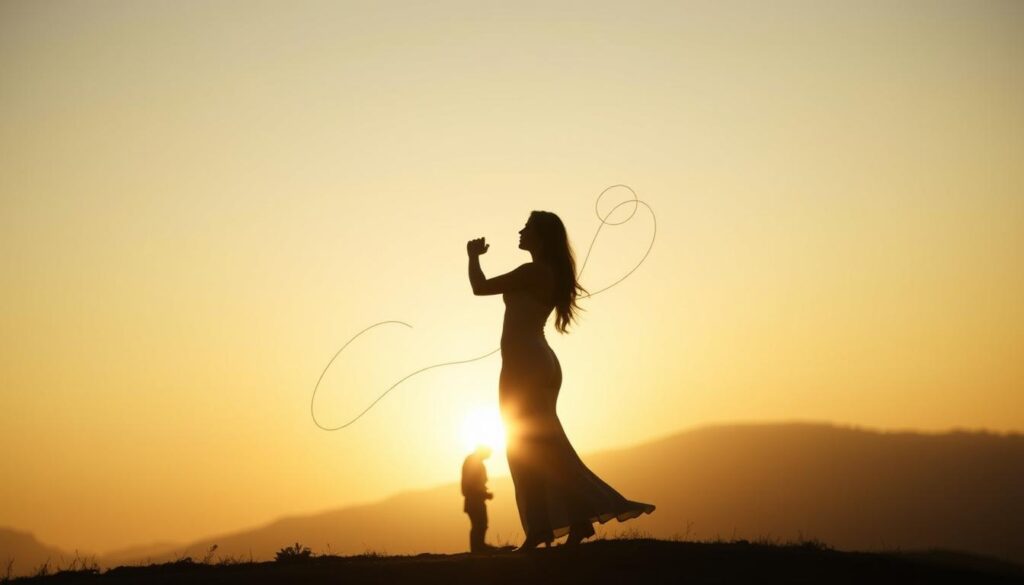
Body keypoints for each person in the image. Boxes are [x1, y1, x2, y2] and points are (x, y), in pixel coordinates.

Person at [466, 211, 655, 550]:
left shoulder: (532, 272)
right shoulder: (548, 273)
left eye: (527, 228)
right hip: (539, 362)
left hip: (524, 366)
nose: (520, 231)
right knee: (544, 447)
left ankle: (542, 528)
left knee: (525, 448)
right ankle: (576, 520)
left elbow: (479, 288)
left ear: (541, 237)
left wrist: (472, 258)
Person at [461, 444, 495, 553]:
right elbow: (472, 485)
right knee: (479, 524)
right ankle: (477, 548)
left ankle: (479, 546)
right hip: (474, 500)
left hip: (475, 500)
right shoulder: (474, 463)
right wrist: (484, 495)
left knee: (480, 524)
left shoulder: (473, 461)